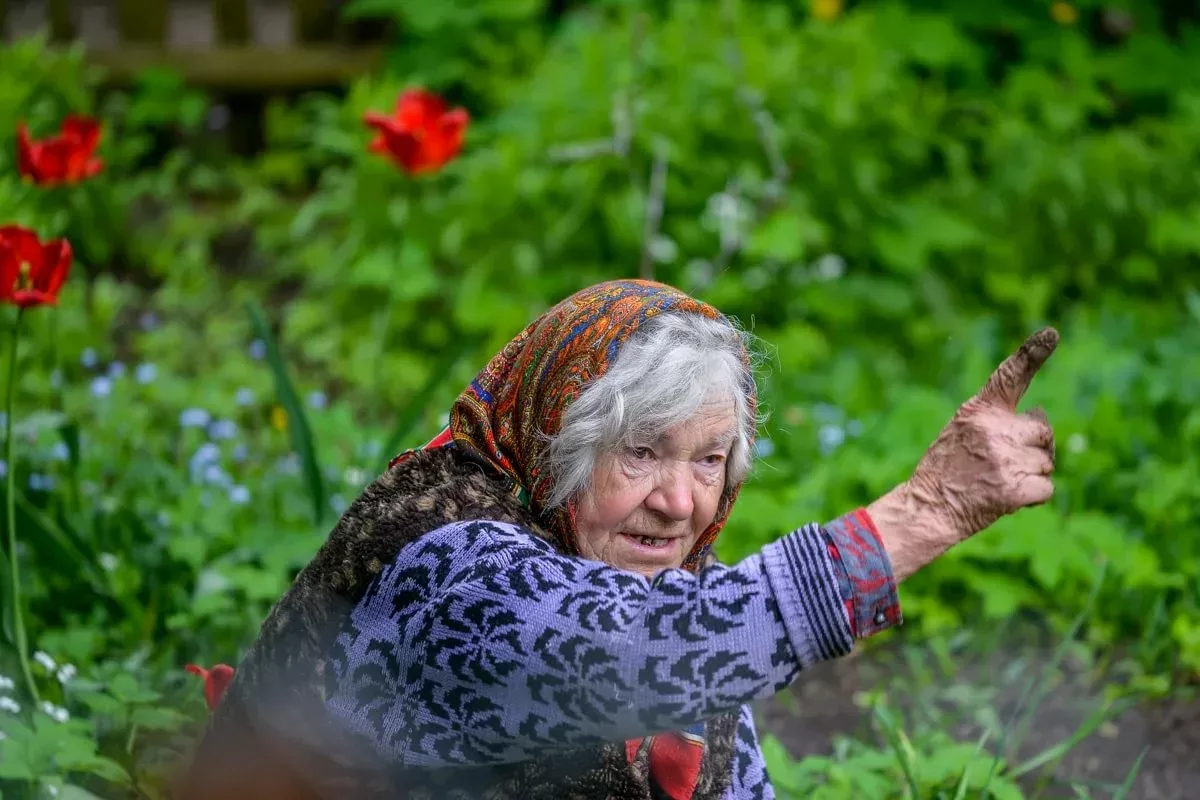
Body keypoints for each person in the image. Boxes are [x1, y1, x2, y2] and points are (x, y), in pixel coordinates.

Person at [172, 278, 1058, 800]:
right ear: (551, 437)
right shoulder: (450, 566)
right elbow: (643, 654)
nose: (680, 501)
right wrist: (928, 513)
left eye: (710, 459)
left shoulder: (664, 589)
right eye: (640, 452)